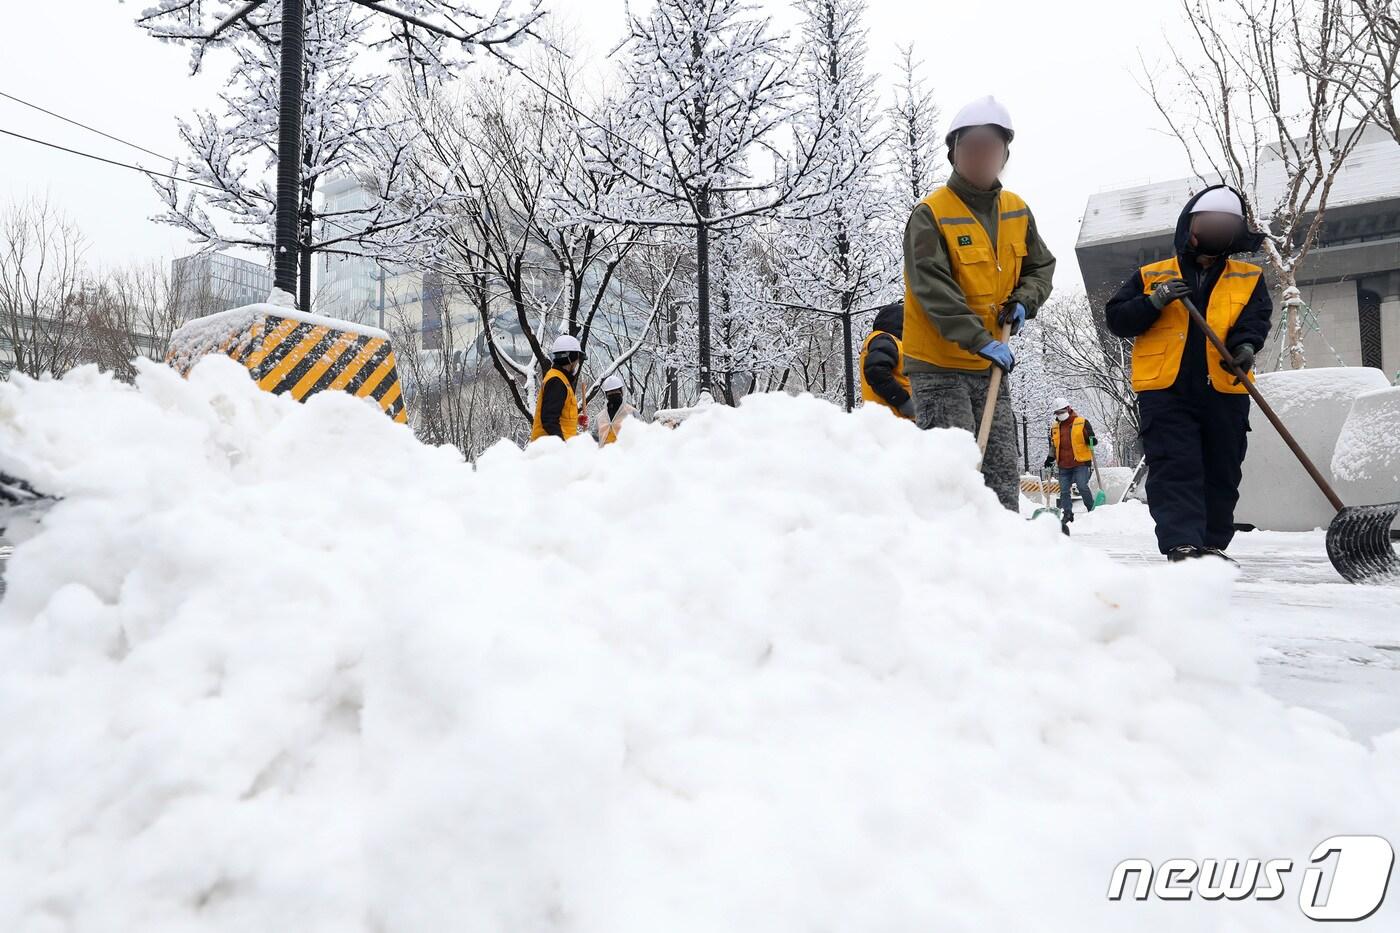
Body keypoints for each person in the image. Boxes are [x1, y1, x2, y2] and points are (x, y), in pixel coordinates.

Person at [902, 95, 1056, 510]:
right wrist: (978, 339)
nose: (981, 156)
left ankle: (1002, 560)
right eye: (970, 147)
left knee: (1000, 473)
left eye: (990, 147)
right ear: (953, 153)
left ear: (1005, 154)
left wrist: (1025, 300)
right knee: (954, 476)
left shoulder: (1017, 211)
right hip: (939, 365)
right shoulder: (931, 213)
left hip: (989, 364)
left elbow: (1040, 267)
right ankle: (953, 560)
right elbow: (932, 288)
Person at [1104, 185, 1271, 563]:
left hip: (1225, 388)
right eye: (1208, 222)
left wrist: (1246, 347)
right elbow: (1117, 319)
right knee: (1175, 465)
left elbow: (1255, 319)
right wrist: (1154, 301)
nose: (1216, 230)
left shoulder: (1248, 277)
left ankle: (1211, 544)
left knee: (1222, 468)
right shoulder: (1151, 275)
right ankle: (1182, 543)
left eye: (1225, 225)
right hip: (1166, 390)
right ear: (1189, 227)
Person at [1042, 397, 1098, 530]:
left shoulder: (1082, 422)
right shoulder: (1054, 427)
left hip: (1080, 462)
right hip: (1063, 464)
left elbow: (1091, 437)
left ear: (1068, 408)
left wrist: (1092, 440)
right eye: (1057, 413)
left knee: (1082, 485)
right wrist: (1050, 459)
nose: (1059, 415)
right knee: (1064, 491)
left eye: (1061, 411)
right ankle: (1067, 513)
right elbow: (1053, 446)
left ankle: (1092, 511)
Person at [858, 301, 914, 419]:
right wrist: (902, 401)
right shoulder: (885, 339)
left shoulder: (883, 340)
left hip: (888, 419)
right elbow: (875, 371)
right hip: (892, 420)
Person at [530, 334, 584, 443]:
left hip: (553, 448)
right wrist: (562, 446)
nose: (577, 362)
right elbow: (549, 420)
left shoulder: (560, 379)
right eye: (577, 358)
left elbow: (559, 415)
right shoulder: (557, 381)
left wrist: (576, 420)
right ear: (571, 358)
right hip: (549, 451)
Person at [595, 373, 636, 446]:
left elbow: (641, 436)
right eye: (610, 393)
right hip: (604, 455)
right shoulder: (600, 417)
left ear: (621, 392)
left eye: (615, 391)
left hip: (626, 455)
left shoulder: (631, 413)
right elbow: (594, 439)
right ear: (606, 395)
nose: (613, 394)